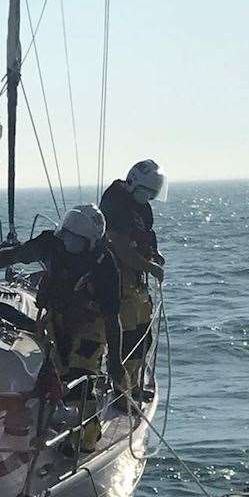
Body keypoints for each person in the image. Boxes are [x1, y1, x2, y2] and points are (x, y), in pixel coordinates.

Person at [0, 204, 123, 452]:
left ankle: (84, 438)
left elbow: (112, 318)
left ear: (90, 242)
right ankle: (46, 424)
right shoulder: (52, 244)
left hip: (89, 326)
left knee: (80, 377)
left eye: (75, 239)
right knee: (49, 373)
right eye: (66, 235)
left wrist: (116, 360)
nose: (68, 242)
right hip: (54, 320)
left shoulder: (104, 265)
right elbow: (17, 255)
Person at [99, 160, 167, 399]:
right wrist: (148, 266)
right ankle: (121, 392)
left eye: (152, 194)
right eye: (147, 192)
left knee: (142, 337)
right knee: (127, 336)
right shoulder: (115, 205)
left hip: (136, 281)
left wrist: (154, 254)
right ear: (134, 184)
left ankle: (134, 386)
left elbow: (146, 235)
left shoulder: (141, 207)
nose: (149, 198)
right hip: (119, 279)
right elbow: (121, 248)